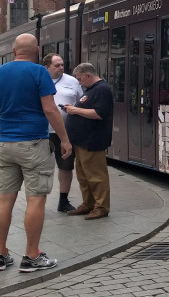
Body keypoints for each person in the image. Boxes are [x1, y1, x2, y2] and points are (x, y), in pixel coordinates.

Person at [0, 33, 72, 272]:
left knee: (3, 200)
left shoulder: (1, 72)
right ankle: (31, 256)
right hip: (33, 143)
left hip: (4, 144)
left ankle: (1, 254)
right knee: (36, 199)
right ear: (37, 51)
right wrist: (64, 139)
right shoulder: (39, 72)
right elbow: (50, 109)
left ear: (13, 50)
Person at [63, 63, 114, 220]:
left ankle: (101, 207)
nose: (79, 82)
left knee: (96, 176)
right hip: (81, 140)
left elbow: (99, 113)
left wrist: (75, 110)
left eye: (80, 79)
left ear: (88, 75)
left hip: (93, 140)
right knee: (83, 175)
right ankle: (88, 203)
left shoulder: (101, 89)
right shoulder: (90, 90)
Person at [43, 53, 83, 213]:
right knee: (40, 168)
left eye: (62, 65)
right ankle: (37, 201)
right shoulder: (38, 78)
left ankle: (63, 200)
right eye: (57, 65)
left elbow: (82, 101)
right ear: (47, 67)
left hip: (64, 133)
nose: (61, 68)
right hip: (42, 132)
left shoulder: (72, 81)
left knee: (66, 167)